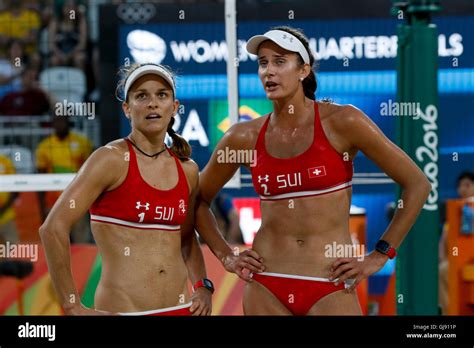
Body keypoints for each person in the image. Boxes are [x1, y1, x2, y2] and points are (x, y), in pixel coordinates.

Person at [195, 26, 431, 315]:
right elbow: (197, 200)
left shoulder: (343, 121)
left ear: (303, 70)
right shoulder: (243, 137)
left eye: (280, 62)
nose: (269, 71)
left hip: (329, 282)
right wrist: (226, 255)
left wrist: (380, 255)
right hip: (266, 284)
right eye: (263, 62)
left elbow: (417, 184)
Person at [39, 63, 212, 316]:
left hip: (181, 308)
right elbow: (52, 228)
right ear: (127, 109)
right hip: (124, 311)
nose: (152, 103)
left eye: (161, 95)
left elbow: (186, 239)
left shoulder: (187, 169)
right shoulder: (110, 160)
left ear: (174, 107)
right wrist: (72, 305)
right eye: (142, 95)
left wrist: (202, 285)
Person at [35, 115, 93, 243]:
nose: (60, 124)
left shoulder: (83, 142)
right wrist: (42, 207)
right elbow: (40, 179)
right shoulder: (45, 146)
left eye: (62, 120)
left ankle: (82, 263)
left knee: (81, 239)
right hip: (54, 201)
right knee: (56, 239)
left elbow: (92, 174)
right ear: (52, 124)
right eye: (56, 121)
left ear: (68, 122)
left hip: (78, 199)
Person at [438, 170, 474, 314]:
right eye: (460, 186)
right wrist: (443, 258)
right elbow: (443, 241)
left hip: (468, 260)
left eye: (467, 185)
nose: (463, 189)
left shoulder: (468, 207)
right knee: (442, 269)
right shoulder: (455, 210)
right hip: (453, 261)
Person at [48, 0, 87, 71]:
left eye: (72, 7)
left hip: (75, 52)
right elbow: (51, 45)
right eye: (68, 7)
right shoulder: (56, 22)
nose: (70, 10)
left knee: (79, 59)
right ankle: (56, 81)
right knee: (54, 60)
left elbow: (82, 44)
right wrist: (61, 55)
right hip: (59, 52)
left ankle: (79, 81)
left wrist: (70, 55)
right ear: (62, 9)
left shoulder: (80, 21)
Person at [0, 153, 19, 244]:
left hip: (5, 215)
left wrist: (3, 208)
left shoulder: (5, 162)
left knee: (13, 247)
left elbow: (15, 189)